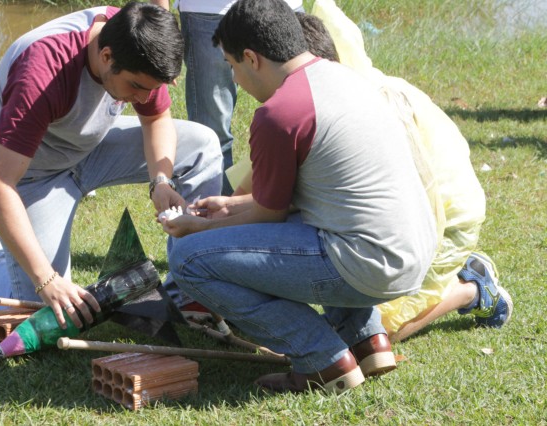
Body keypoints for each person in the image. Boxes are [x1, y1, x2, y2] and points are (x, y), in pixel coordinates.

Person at [160, 0, 437, 394]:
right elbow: (307, 197)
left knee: (188, 258)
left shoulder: (280, 112)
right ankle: (368, 340)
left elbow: (270, 217)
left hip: (367, 262)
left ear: (252, 58)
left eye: (231, 66)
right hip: (412, 251)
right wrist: (231, 205)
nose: (235, 79)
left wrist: (200, 226)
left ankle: (321, 359)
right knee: (312, 230)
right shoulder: (343, 77)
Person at [0, 2, 223, 330]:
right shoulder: (42, 71)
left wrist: (161, 181)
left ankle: (188, 290)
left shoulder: (138, 42)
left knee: (203, 147)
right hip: (29, 173)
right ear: (106, 57)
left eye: (151, 89)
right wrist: (45, 279)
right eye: (136, 87)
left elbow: (156, 119)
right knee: (48, 308)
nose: (142, 98)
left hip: (89, 148)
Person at [228, 4, 513, 342]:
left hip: (443, 220)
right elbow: (253, 189)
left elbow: (419, 199)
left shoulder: (352, 108)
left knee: (377, 331)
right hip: (390, 228)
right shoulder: (307, 106)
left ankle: (471, 288)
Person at [150, 0, 303, 196]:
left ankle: (289, 204)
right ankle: (215, 216)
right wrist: (163, 26)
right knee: (211, 137)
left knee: (298, 117)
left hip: (284, 7)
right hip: (208, 11)